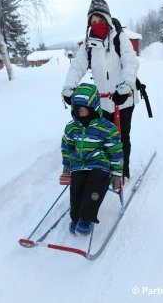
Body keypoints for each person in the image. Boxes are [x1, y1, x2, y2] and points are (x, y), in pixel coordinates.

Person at [62, 0, 139, 181]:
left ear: (107, 18)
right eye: (92, 21)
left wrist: (126, 85)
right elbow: (77, 66)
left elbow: (130, 62)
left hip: (123, 98)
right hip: (102, 101)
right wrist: (69, 87)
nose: (96, 24)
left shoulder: (119, 38)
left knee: (122, 138)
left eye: (99, 19)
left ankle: (122, 171)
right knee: (103, 138)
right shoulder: (88, 44)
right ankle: (104, 172)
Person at [61, 83, 123, 235]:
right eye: (77, 111)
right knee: (76, 187)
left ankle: (86, 218)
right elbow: (66, 146)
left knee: (94, 185)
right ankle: (75, 217)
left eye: (84, 111)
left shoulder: (106, 128)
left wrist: (116, 173)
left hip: (99, 164)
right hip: (78, 165)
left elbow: (115, 151)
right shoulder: (71, 127)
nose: (81, 115)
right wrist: (67, 165)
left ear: (93, 108)